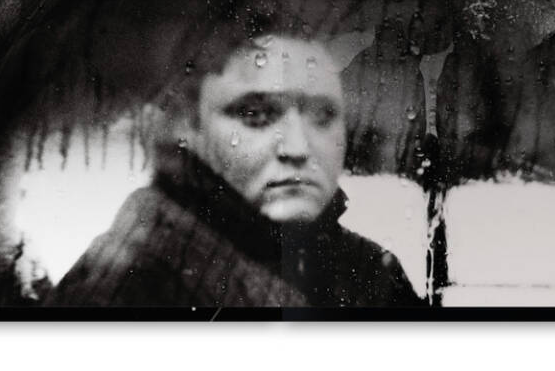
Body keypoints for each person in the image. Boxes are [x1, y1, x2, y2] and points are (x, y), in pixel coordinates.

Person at [45, 32, 424, 308]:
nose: (298, 148)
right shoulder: (129, 284)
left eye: (323, 115)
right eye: (256, 114)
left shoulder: (372, 271)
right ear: (188, 125)